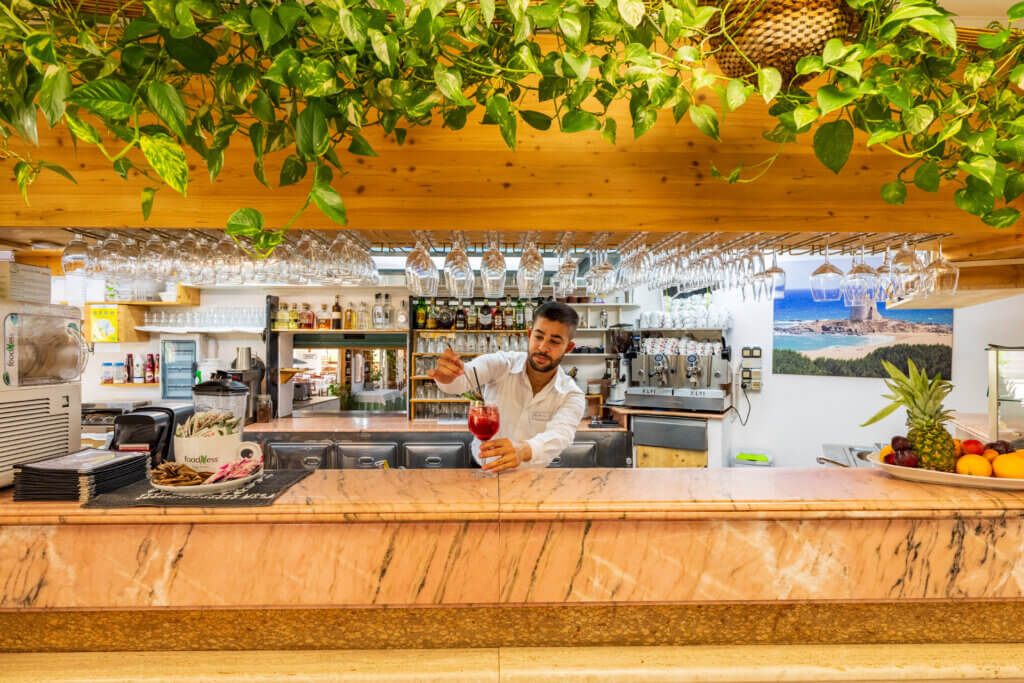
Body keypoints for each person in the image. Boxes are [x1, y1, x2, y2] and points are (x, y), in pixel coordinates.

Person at [428, 301, 586, 473]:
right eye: (538, 337)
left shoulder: (571, 395)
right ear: (529, 334)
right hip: (482, 468)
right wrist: (447, 377)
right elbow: (462, 380)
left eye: (554, 341)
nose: (542, 347)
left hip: (529, 477)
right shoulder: (502, 364)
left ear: (568, 347)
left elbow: (560, 435)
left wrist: (525, 450)